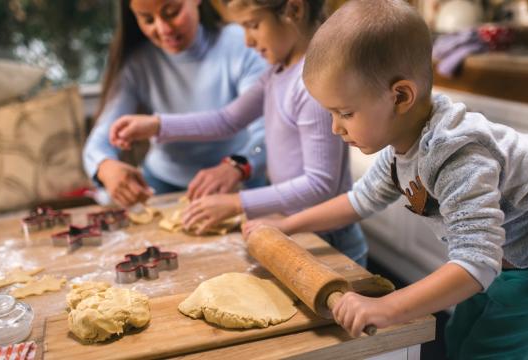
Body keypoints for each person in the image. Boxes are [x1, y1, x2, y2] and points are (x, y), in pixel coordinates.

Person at [242, 0, 528, 357]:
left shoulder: (457, 154)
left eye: (345, 112)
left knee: (490, 350)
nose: (335, 128)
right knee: (459, 339)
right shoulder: (403, 146)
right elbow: (360, 200)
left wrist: (386, 307)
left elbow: (477, 261)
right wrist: (287, 225)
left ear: (400, 96)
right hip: (499, 263)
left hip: (524, 267)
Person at [109, 0, 368, 266]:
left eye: (253, 26)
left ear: (294, 10)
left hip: (332, 243)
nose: (248, 42)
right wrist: (157, 125)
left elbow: (320, 184)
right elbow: (227, 120)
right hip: (300, 232)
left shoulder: (311, 86)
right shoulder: (277, 72)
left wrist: (236, 202)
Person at [83, 0, 268, 207]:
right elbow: (98, 142)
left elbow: (264, 131)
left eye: (171, 12)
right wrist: (105, 167)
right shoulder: (137, 63)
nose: (163, 29)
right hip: (161, 183)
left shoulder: (246, 42)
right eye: (148, 19)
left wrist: (237, 166)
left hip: (239, 178)